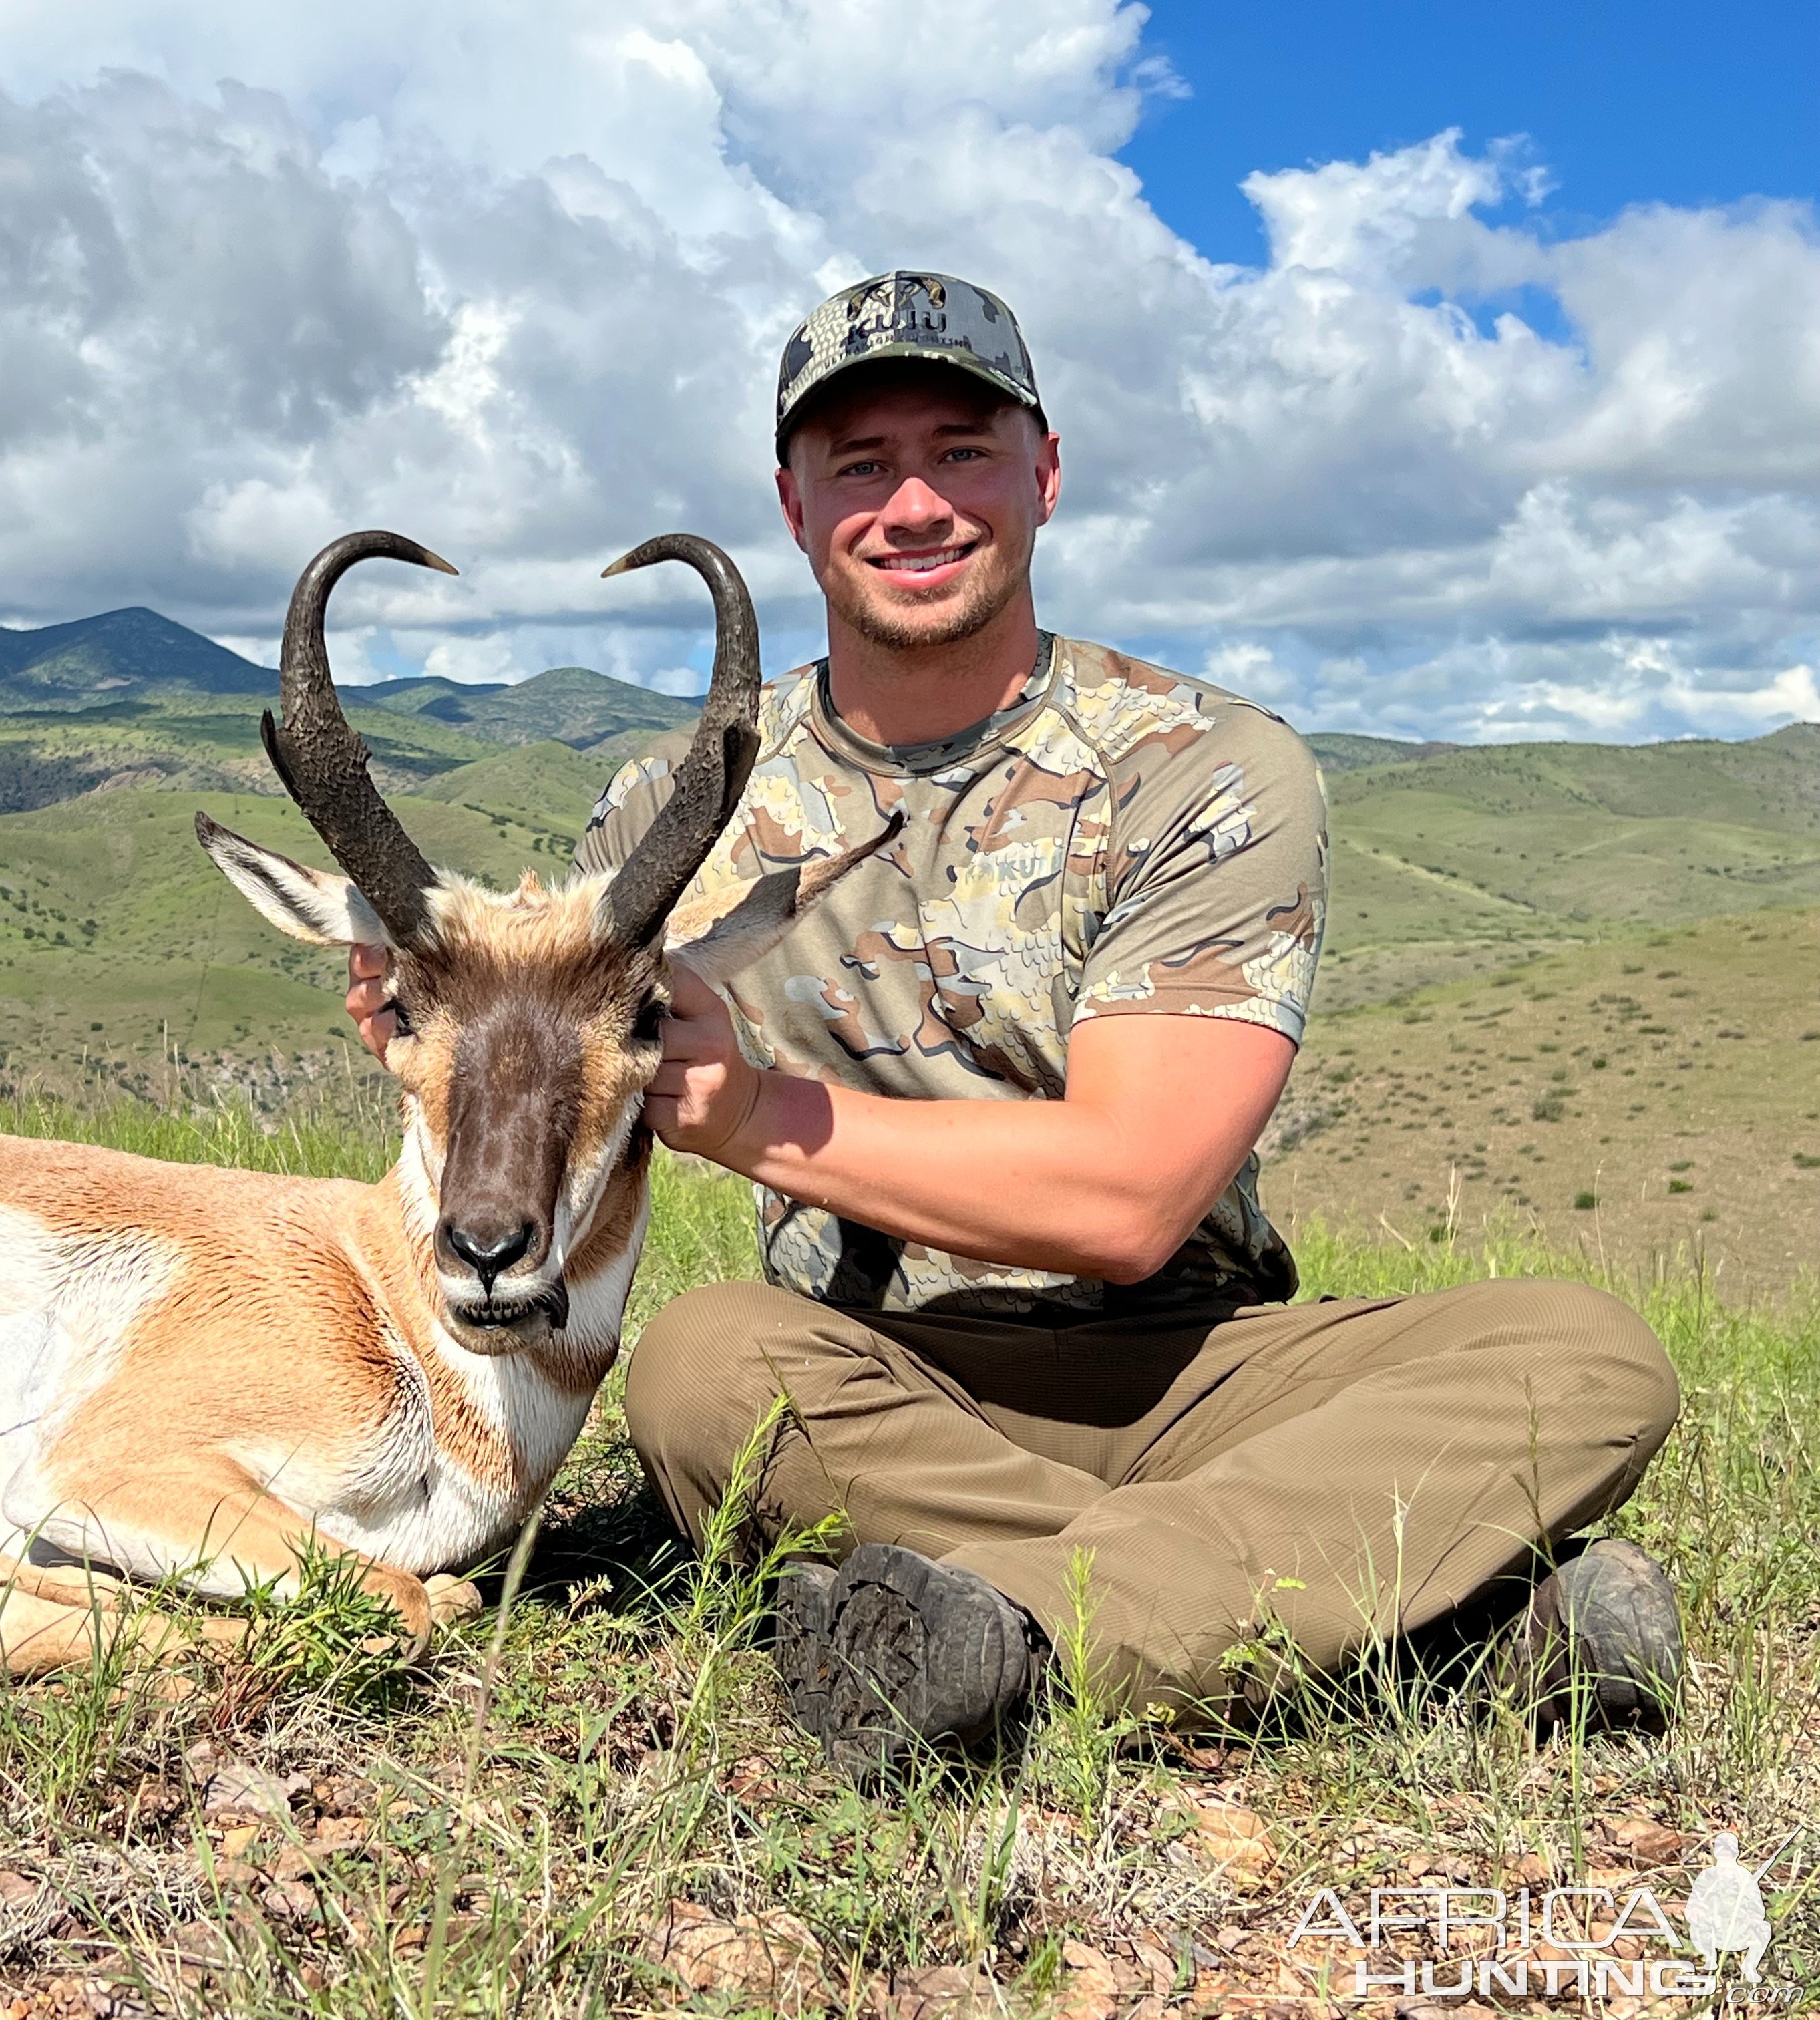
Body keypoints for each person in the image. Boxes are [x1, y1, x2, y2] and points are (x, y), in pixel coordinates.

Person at [349, 271, 1684, 1770]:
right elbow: (552, 1070)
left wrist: (765, 1120)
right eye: (860, 463)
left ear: (1044, 474)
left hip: (1201, 1371)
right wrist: (452, 1036)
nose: (913, 502)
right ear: (796, 507)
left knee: (1589, 1353)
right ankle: (1432, 1631)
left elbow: (1130, 1201)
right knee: (703, 1368)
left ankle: (1007, 1633)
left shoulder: (1205, 768)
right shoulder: (673, 814)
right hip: (872, 1379)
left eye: (961, 450)